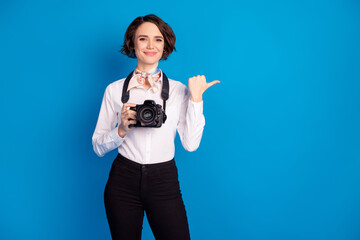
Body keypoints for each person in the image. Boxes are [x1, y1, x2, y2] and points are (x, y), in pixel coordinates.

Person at [92, 14, 219, 240]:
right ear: (133, 43)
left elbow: (190, 145)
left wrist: (196, 100)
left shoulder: (180, 90)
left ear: (165, 45)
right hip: (123, 180)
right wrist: (121, 130)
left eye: (158, 39)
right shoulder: (114, 90)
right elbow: (98, 146)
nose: (151, 45)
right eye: (143, 39)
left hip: (164, 180)